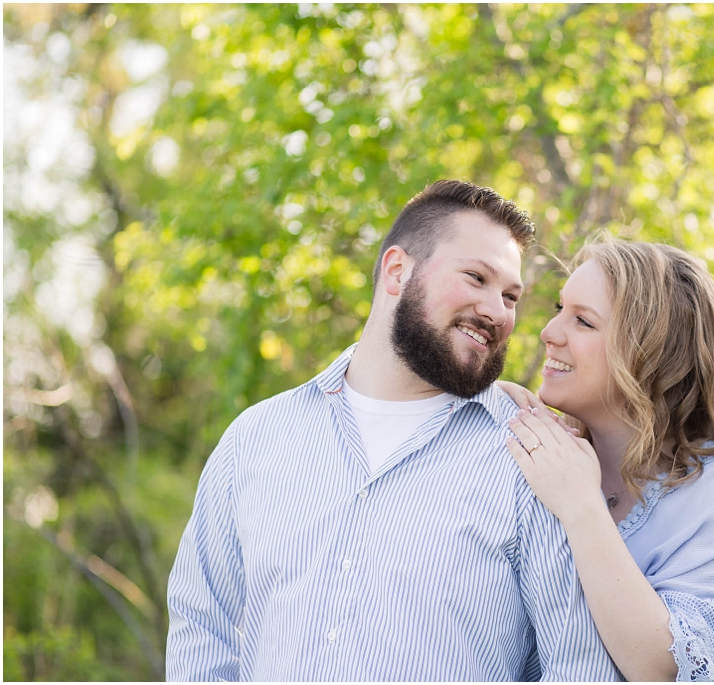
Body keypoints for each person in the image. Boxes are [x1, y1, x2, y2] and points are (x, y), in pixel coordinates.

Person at [165, 181, 620, 681]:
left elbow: (578, 667)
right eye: (476, 277)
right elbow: (204, 630)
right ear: (398, 271)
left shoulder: (534, 458)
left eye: (511, 296)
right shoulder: (257, 439)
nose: (498, 312)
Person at [501, 238, 714, 681]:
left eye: (582, 321)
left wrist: (580, 506)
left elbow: (666, 669)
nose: (549, 331)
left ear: (652, 354)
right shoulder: (557, 458)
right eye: (559, 309)